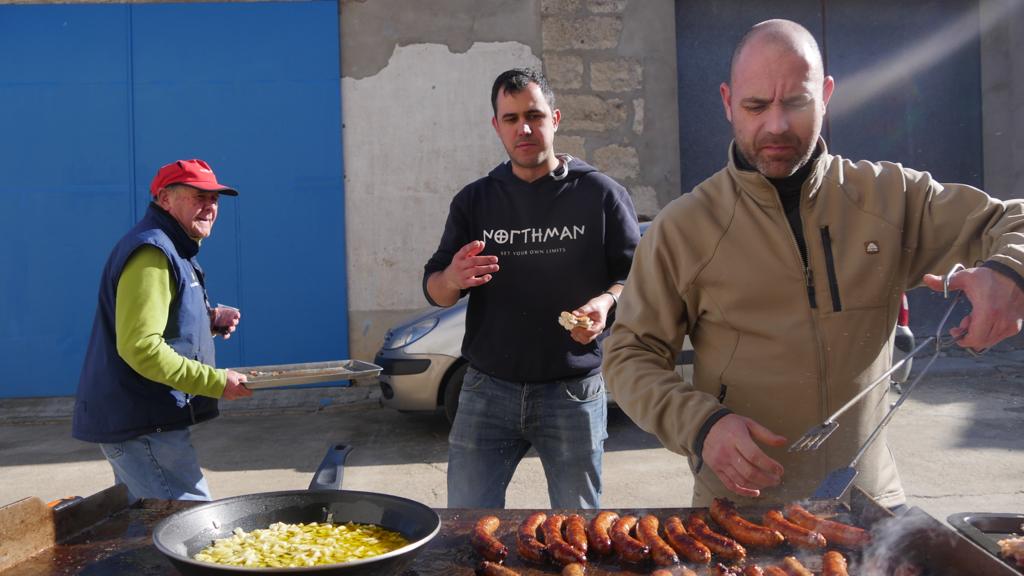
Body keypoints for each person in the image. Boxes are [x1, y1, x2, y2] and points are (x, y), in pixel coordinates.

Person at [602, 19, 1024, 509]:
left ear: (826, 95)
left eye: (796, 102)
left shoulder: (890, 199)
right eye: (756, 106)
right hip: (739, 517)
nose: (777, 125)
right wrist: (700, 425)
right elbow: (629, 354)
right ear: (727, 102)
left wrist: (1010, 272)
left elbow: (1013, 220)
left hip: (869, 506)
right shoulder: (684, 228)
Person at [424, 68, 641, 509]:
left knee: (578, 527)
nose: (523, 128)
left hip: (572, 393)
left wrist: (606, 303)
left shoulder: (600, 194)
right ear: (496, 126)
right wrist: (452, 278)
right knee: (466, 523)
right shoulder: (474, 201)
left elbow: (638, 279)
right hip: (487, 391)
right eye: (511, 118)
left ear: (555, 119)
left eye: (534, 116)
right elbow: (436, 290)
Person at [73, 159, 253, 501]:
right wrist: (215, 382)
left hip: (144, 421)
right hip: (143, 424)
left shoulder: (174, 246)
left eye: (214, 199)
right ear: (165, 199)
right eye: (199, 197)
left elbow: (160, 321)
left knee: (148, 526)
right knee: (191, 525)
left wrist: (208, 320)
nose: (210, 207)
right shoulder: (152, 252)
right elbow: (141, 347)